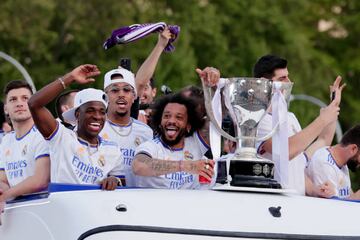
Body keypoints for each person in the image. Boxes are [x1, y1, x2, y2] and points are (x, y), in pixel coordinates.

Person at [254, 54, 344, 196]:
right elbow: (286, 152)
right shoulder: (258, 119)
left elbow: (322, 142)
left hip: (297, 206)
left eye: (288, 77)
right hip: (272, 206)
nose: (289, 82)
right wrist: (322, 120)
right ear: (264, 82)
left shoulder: (290, 117)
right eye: (282, 78)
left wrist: (316, 190)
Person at [28, 64, 124, 190]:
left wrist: (114, 180)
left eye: (102, 112)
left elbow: (121, 181)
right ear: (78, 114)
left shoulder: (113, 150)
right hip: (64, 208)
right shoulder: (61, 137)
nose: (97, 116)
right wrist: (70, 77)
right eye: (90, 110)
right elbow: (34, 104)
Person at [132, 67, 220, 189]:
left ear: (189, 125)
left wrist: (213, 87)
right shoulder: (151, 147)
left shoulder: (196, 144)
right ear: (159, 122)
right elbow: (138, 166)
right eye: (167, 116)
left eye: (179, 117)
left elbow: (218, 117)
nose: (171, 121)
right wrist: (187, 166)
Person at [100, 67, 153, 187]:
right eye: (114, 91)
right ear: (105, 96)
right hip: (104, 196)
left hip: (138, 198)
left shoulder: (146, 131)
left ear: (134, 96)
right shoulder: (96, 128)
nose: (121, 95)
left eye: (126, 90)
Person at [0, 80, 50, 203]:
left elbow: (40, 180)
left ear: (32, 103)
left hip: (42, 206)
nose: (19, 104)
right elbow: (3, 180)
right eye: (13, 99)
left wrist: (4, 196)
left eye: (25, 98)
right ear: (6, 108)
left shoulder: (43, 134)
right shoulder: (6, 140)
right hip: (16, 208)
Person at [307, 125, 360, 200]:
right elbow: (329, 207)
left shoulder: (342, 163)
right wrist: (356, 197)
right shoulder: (324, 164)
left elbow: (347, 195)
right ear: (353, 149)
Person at [135, 27, 172, 125]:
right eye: (137, 88)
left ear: (154, 92)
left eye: (145, 88)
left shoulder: (164, 119)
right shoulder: (127, 115)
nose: (141, 91)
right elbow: (140, 82)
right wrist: (160, 45)